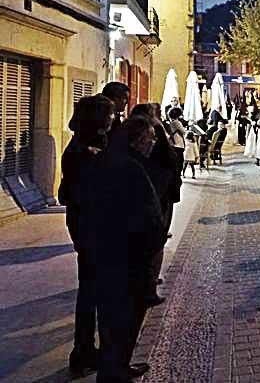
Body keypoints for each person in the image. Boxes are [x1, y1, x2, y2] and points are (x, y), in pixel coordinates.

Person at [81, 116, 165, 382]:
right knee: (123, 319)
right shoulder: (130, 168)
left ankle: (116, 367)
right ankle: (114, 370)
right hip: (127, 257)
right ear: (138, 139)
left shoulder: (105, 160)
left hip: (107, 252)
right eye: (150, 137)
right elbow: (146, 214)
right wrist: (151, 243)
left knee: (111, 320)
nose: (152, 142)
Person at [59, 94, 115, 377]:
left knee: (91, 291)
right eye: (110, 114)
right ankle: (87, 352)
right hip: (92, 228)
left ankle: (85, 349)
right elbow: (69, 192)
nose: (113, 119)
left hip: (88, 226)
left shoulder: (84, 146)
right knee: (96, 292)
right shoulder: (82, 151)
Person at [129, 103, 179, 306]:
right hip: (158, 195)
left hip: (158, 193)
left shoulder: (152, 131)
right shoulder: (156, 130)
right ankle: (148, 286)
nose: (150, 143)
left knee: (152, 241)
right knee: (153, 241)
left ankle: (146, 283)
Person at [166, 107, 187, 178]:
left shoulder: (171, 122)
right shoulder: (176, 122)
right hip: (178, 144)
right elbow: (184, 132)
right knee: (179, 162)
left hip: (173, 143)